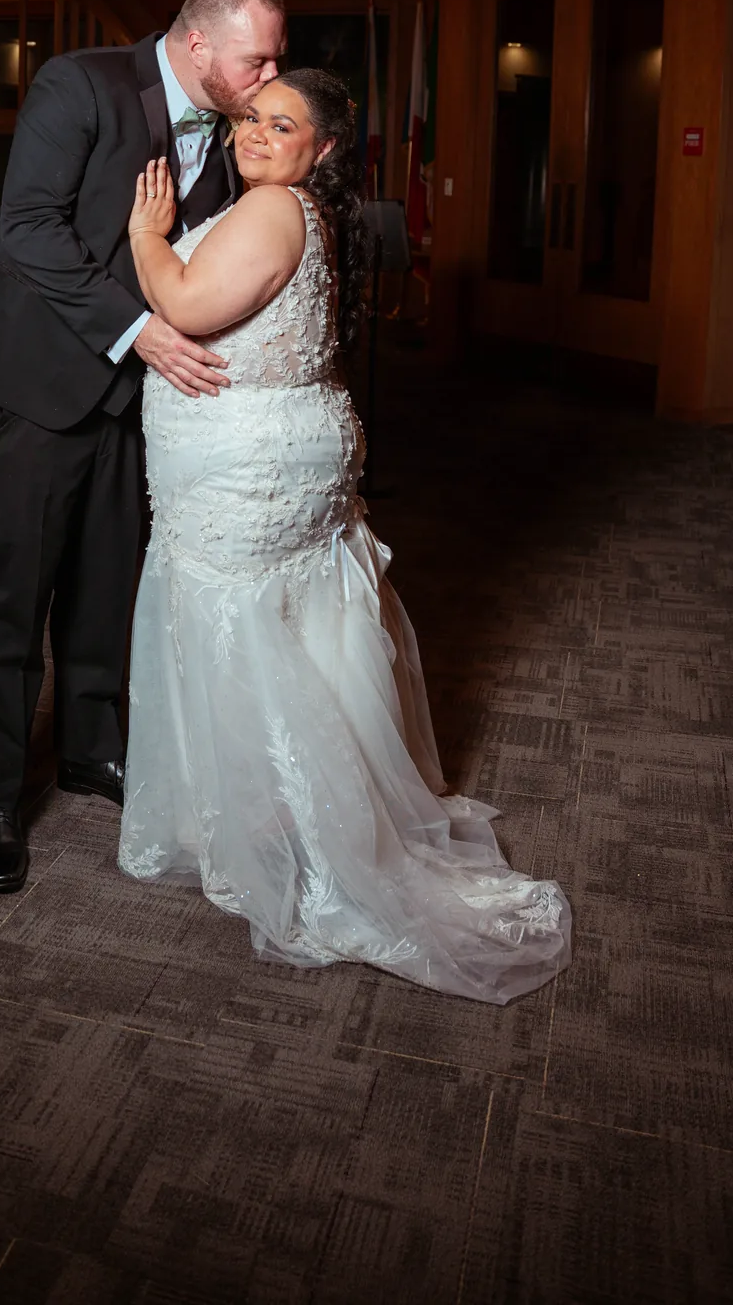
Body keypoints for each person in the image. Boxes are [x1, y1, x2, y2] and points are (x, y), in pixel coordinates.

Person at [118, 70, 571, 1006]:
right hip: (293, 452)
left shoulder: (270, 209)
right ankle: (305, 809)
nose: (254, 133)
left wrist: (146, 237)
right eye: (250, 117)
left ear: (320, 149)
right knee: (298, 627)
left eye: (280, 125)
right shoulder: (315, 214)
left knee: (241, 633)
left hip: (247, 472)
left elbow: (189, 306)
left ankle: (283, 830)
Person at [0, 0, 287, 894]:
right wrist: (141, 332)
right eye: (256, 61)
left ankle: (92, 750)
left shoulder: (233, 128)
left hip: (135, 398)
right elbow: (28, 230)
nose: (268, 78)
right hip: (35, 381)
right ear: (199, 43)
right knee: (18, 597)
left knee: (106, 585)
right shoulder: (80, 84)